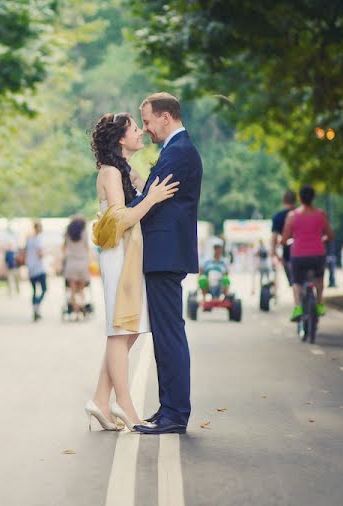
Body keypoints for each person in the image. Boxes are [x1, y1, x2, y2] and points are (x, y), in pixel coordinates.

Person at [87, 111, 180, 432]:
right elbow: (122, 218)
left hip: (130, 254)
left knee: (130, 327)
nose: (141, 132)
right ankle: (124, 404)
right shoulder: (111, 172)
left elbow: (148, 189)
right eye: (135, 128)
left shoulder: (126, 170)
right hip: (118, 255)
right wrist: (151, 198)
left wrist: (153, 189)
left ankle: (100, 400)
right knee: (120, 329)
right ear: (120, 139)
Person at [130, 92, 202, 435]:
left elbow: (151, 203)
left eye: (147, 121)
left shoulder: (178, 152)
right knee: (165, 333)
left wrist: (128, 207)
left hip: (165, 253)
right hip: (165, 252)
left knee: (169, 334)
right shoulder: (176, 151)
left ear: (165, 117)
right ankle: (168, 407)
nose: (146, 129)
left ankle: (175, 412)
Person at [282, 184, 334, 322]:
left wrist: (287, 241)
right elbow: (330, 235)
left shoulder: (292, 216)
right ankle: (320, 303)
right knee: (319, 278)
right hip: (318, 254)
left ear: (300, 198)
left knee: (297, 281)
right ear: (313, 198)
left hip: (298, 255)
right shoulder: (321, 214)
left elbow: (285, 238)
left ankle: (298, 307)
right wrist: (323, 239)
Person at [62, 216, 91, 316]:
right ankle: (81, 306)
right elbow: (87, 248)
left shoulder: (67, 233)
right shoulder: (84, 233)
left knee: (72, 290)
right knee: (82, 289)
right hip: (82, 262)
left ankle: (75, 308)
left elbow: (64, 248)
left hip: (71, 263)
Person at [271, 189, 297, 300]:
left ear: (283, 200)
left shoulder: (278, 217)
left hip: (288, 252)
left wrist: (274, 253)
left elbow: (274, 238)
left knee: (295, 281)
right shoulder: (300, 214)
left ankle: (299, 305)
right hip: (306, 250)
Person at [24, 221, 47, 321]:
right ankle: (37, 305)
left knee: (34, 290)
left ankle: (35, 308)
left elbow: (26, 252)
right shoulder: (39, 239)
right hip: (39, 268)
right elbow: (40, 253)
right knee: (44, 289)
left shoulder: (29, 239)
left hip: (30, 267)